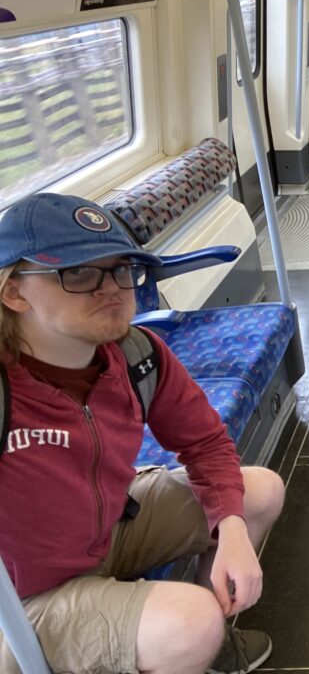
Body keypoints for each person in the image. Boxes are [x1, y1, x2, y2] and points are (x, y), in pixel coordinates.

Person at [0, 193, 285, 674]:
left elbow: (205, 443)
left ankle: (204, 644)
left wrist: (231, 529)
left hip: (107, 528)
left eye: (121, 269)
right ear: (14, 292)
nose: (111, 288)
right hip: (26, 592)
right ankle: (191, 636)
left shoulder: (135, 354)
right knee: (192, 624)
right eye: (80, 273)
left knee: (259, 491)